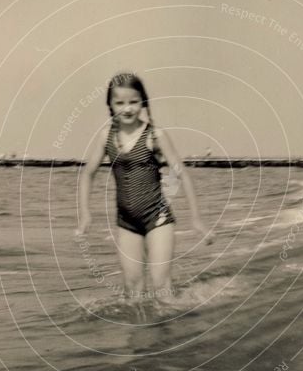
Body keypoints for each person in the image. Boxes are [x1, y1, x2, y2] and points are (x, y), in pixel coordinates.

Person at [76, 72, 213, 300]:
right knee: (132, 288)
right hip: (126, 222)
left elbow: (182, 175)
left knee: (161, 285)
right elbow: (87, 174)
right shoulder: (106, 138)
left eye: (133, 102)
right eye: (120, 102)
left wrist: (196, 219)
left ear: (143, 102)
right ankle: (140, 335)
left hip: (157, 218)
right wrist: (85, 214)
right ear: (110, 104)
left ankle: (172, 332)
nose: (127, 108)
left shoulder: (155, 136)